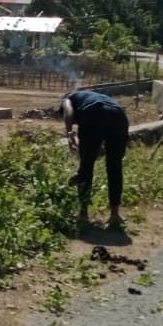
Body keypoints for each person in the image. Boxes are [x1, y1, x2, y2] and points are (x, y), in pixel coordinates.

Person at [61, 88, 130, 230]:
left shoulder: (69, 98)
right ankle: (115, 214)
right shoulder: (95, 96)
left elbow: (68, 111)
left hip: (94, 112)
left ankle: (83, 214)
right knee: (115, 166)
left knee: (86, 164)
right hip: (119, 116)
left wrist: (69, 132)